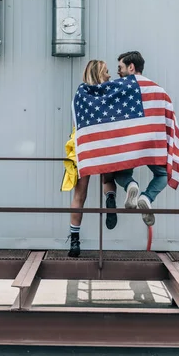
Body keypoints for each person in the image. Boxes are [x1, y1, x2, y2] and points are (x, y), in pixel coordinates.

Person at [68, 60, 117, 258]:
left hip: (83, 146)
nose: (109, 75)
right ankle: (110, 198)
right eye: (106, 72)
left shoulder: (80, 95)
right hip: (104, 144)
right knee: (108, 179)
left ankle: (74, 240)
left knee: (79, 196)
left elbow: (76, 119)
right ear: (98, 74)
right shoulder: (109, 93)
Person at [114, 51, 168, 227]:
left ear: (131, 67)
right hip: (152, 143)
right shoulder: (159, 90)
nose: (118, 72)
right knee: (163, 175)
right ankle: (146, 197)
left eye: (120, 67)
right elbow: (167, 119)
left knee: (120, 173)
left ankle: (131, 186)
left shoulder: (117, 87)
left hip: (128, 142)